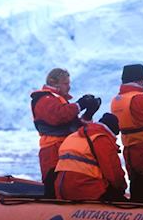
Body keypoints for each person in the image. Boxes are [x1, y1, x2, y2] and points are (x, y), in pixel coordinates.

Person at [31, 68, 101, 197]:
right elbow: (59, 116)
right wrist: (79, 105)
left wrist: (88, 114)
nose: (69, 87)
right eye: (65, 83)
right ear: (54, 83)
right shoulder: (44, 99)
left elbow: (75, 127)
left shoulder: (58, 100)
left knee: (64, 186)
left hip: (64, 150)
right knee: (53, 187)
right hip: (52, 151)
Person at [110, 64, 143, 204]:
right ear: (141, 79)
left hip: (130, 150)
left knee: (138, 187)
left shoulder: (117, 100)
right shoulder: (142, 99)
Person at [53, 113, 127, 202]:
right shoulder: (101, 139)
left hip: (61, 191)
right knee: (121, 200)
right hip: (87, 191)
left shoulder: (73, 136)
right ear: (114, 130)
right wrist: (121, 188)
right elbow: (113, 173)